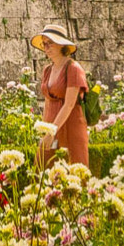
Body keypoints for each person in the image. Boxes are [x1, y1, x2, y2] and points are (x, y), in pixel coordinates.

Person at [32, 21, 89, 171]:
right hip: (51, 123)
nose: (46, 47)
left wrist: (52, 131)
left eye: (50, 43)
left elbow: (69, 104)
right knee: (43, 169)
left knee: (74, 172)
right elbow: (47, 102)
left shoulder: (73, 68)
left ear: (61, 45)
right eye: (44, 44)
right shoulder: (47, 70)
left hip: (70, 124)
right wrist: (45, 130)